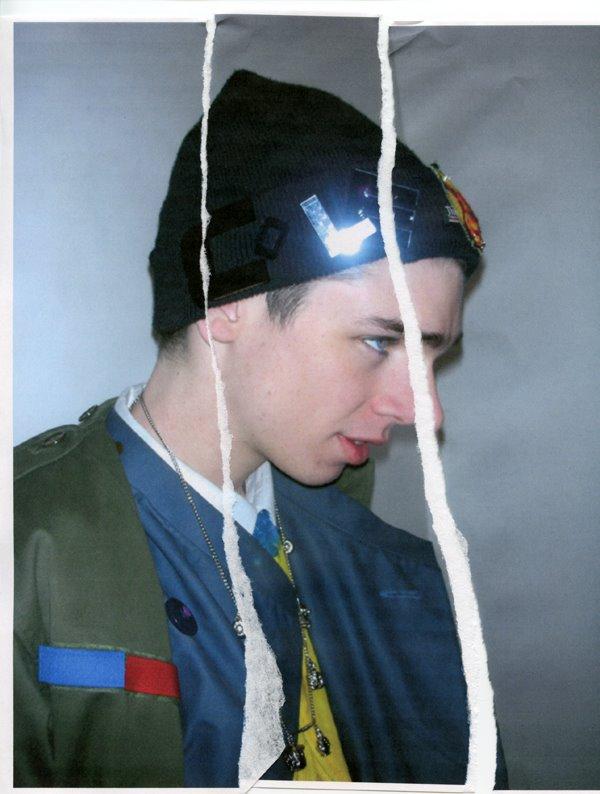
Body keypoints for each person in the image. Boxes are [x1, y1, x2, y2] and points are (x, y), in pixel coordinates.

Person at [14, 70, 507, 787]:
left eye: (435, 356)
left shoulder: (386, 565)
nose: (425, 412)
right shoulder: (24, 558)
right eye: (379, 342)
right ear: (225, 301)